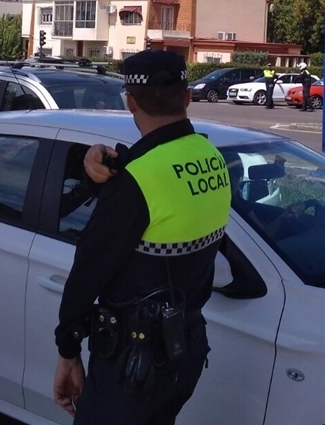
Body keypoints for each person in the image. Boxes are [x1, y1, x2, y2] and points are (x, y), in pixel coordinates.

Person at [53, 49, 232, 425]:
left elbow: (88, 271)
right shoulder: (212, 158)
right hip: (186, 349)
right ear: (186, 97)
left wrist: (68, 350)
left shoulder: (136, 180)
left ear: (130, 101)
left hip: (133, 364)